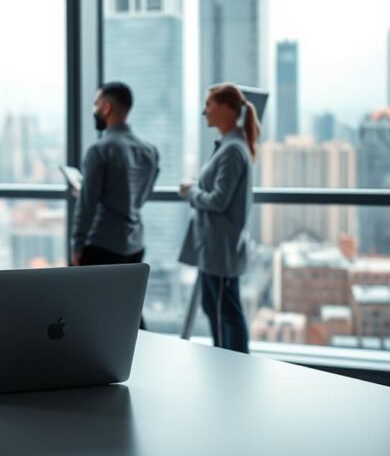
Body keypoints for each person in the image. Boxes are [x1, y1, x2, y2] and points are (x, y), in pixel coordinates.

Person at [178, 83, 259, 354]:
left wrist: (192, 193)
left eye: (209, 105)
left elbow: (218, 199)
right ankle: (226, 361)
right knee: (216, 308)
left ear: (225, 108)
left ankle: (235, 365)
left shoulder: (233, 150)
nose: (204, 112)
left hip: (221, 248)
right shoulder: (229, 146)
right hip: (214, 248)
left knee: (227, 310)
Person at [71, 82, 159, 327]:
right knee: (129, 307)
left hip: (101, 243)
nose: (94, 109)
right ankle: (140, 353)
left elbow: (87, 204)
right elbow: (141, 195)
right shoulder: (149, 151)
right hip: (134, 243)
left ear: (107, 107)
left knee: (89, 312)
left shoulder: (100, 150)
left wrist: (77, 244)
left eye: (96, 104)